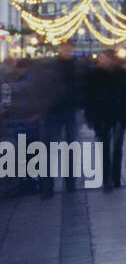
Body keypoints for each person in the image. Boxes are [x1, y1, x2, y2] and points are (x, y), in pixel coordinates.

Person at [85, 52, 126, 192]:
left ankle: (116, 176)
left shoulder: (124, 75)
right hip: (102, 116)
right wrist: (90, 116)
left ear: (111, 59)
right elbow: (88, 97)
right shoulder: (94, 75)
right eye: (100, 58)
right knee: (104, 148)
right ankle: (107, 178)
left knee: (117, 147)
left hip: (120, 115)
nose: (99, 60)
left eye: (102, 57)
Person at [40, 43, 84, 197]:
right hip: (51, 111)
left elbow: (86, 83)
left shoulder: (79, 66)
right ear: (60, 50)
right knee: (48, 150)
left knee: (70, 148)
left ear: (72, 50)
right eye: (64, 49)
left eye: (69, 49)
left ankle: (70, 182)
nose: (66, 51)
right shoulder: (50, 66)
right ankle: (47, 186)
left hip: (71, 110)